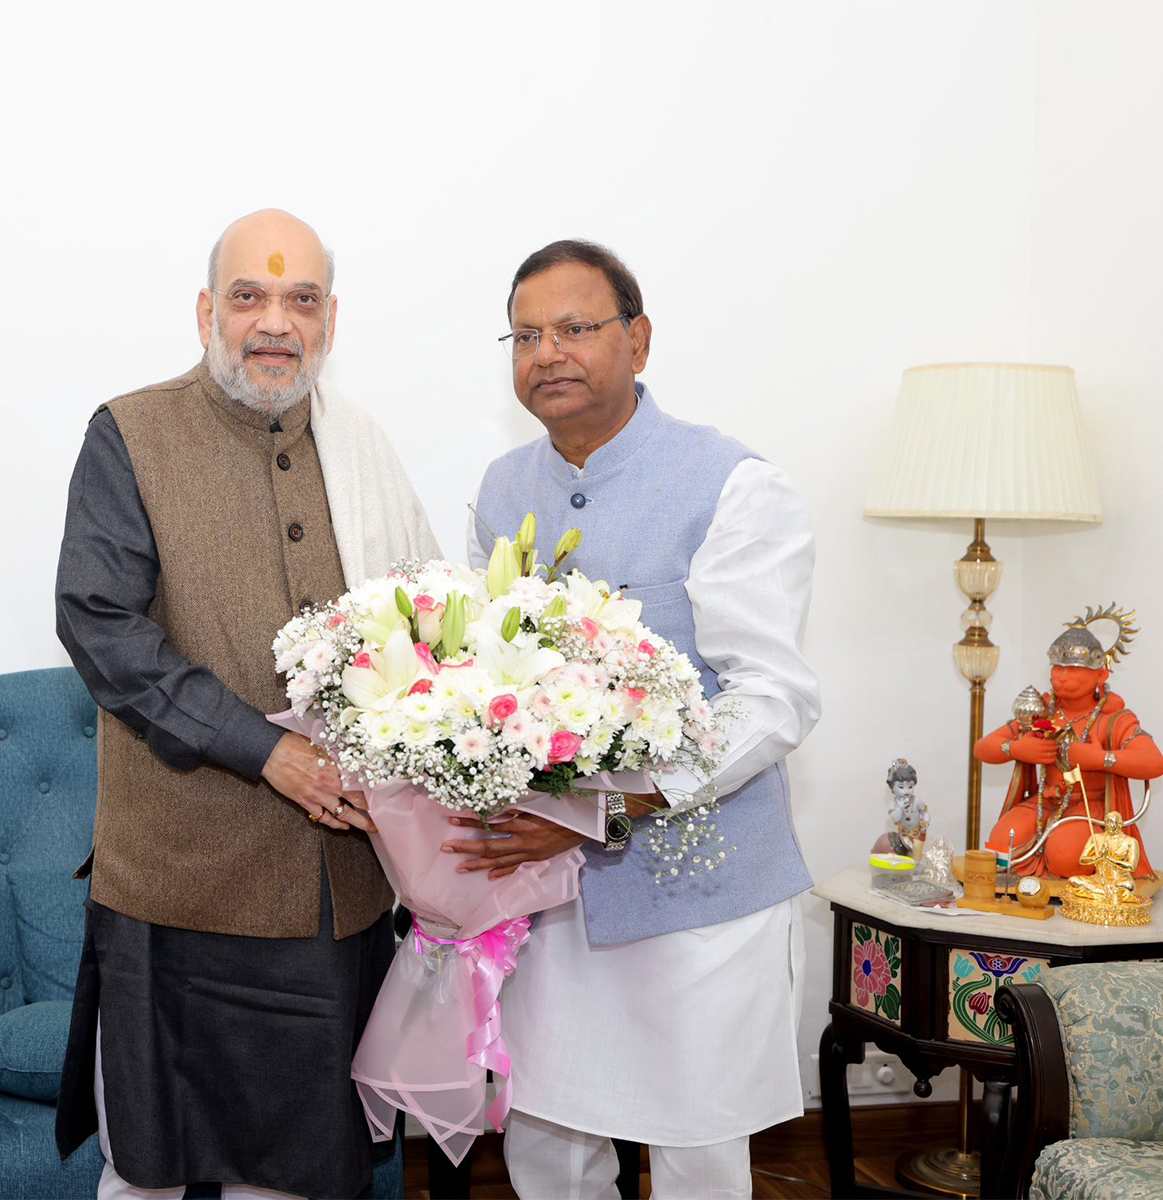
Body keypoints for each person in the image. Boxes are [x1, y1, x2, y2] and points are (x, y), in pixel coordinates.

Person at [53, 208, 440, 1200]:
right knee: (152, 1165)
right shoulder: (131, 434)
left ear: (330, 319)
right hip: (181, 884)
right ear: (204, 311)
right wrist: (263, 752)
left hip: (335, 888)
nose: (275, 321)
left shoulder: (358, 448)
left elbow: (427, 629)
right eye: (250, 296)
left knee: (305, 1171)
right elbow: (100, 624)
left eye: (300, 298)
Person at [453, 239, 820, 1199]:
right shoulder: (500, 491)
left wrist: (617, 806)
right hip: (549, 893)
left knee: (696, 1152)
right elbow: (480, 679)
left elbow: (772, 696)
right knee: (547, 1142)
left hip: (696, 896)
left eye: (576, 327)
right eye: (527, 335)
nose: (548, 353)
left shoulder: (733, 484)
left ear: (639, 340)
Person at [976, 616, 1162, 878]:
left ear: (1101, 675)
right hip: (1044, 801)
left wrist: (1100, 759)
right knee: (1001, 843)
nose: (1063, 678)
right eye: (1058, 668)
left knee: (1065, 856)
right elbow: (983, 748)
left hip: (1091, 807)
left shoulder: (1114, 719)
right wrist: (1016, 749)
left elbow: (1154, 763)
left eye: (1073, 670)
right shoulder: (1041, 711)